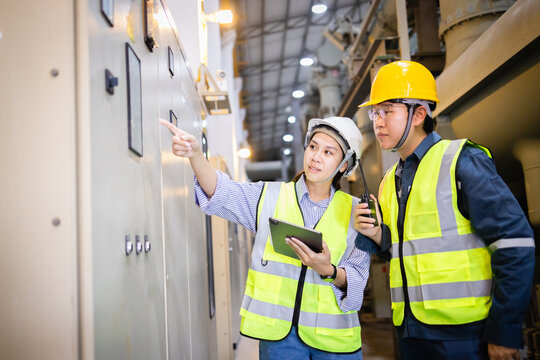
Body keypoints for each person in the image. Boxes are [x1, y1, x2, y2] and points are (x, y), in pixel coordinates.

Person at [354, 60, 535, 360]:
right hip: (411, 335)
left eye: (388, 111)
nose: (378, 122)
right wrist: (377, 236)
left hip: (465, 336)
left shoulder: (461, 161)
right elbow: (403, 253)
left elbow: (514, 244)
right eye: (375, 112)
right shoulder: (389, 182)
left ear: (419, 114)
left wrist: (504, 330)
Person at [160, 116, 370, 359]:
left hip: (335, 342)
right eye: (313, 147)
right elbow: (222, 191)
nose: (316, 157)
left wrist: (329, 270)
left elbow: (357, 278)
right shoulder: (268, 197)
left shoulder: (357, 212)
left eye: (328, 152)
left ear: (344, 165)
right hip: (280, 340)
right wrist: (196, 155)